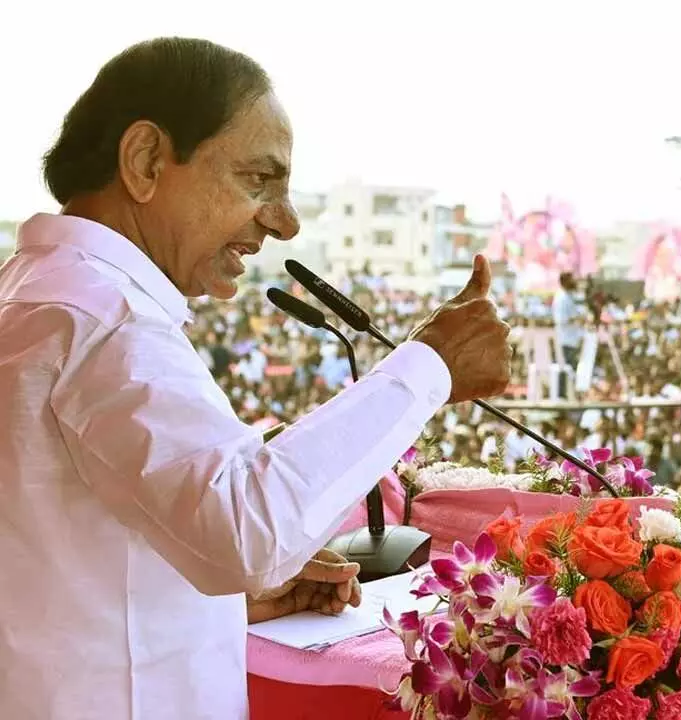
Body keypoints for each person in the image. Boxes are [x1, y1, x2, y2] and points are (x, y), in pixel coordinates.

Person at [0, 38, 511, 720]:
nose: (284, 221)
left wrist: (224, 603)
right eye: (258, 180)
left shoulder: (35, 295)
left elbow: (61, 569)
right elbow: (251, 530)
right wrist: (431, 364)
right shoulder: (104, 321)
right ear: (147, 160)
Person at [552, 271, 584, 399]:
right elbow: (561, 320)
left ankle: (568, 394)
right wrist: (577, 319)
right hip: (565, 340)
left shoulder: (570, 296)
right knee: (565, 369)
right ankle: (562, 396)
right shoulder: (562, 298)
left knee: (571, 369)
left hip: (572, 339)